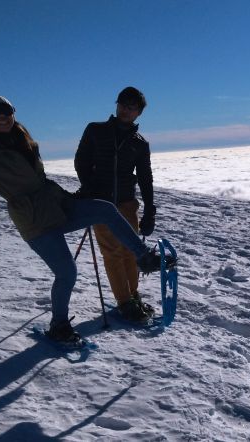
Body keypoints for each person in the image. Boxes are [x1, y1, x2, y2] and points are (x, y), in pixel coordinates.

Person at [0, 95, 164, 342]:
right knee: (67, 273)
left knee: (104, 209)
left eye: (6, 111)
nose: (2, 117)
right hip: (33, 219)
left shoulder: (24, 139)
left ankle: (144, 257)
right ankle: (59, 325)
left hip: (57, 204)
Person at [74, 87, 157, 322]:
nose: (126, 110)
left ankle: (132, 295)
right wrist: (90, 189)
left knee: (131, 251)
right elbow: (81, 161)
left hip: (127, 203)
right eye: (123, 104)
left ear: (139, 113)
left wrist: (150, 210)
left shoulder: (140, 143)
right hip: (101, 203)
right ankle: (124, 302)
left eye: (132, 107)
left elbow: (145, 177)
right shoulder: (96, 130)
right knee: (113, 252)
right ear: (117, 104)